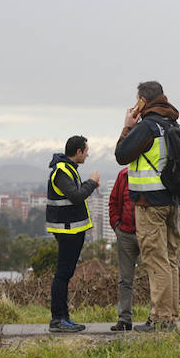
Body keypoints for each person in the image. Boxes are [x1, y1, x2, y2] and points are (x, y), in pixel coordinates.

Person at [114, 81, 180, 332]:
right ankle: (170, 317)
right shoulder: (172, 123)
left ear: (142, 101)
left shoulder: (147, 126)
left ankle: (160, 319)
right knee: (170, 259)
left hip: (149, 203)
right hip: (173, 201)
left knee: (155, 260)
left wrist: (127, 125)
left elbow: (121, 155)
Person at [46, 135, 99, 333]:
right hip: (67, 230)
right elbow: (76, 196)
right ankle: (58, 319)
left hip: (72, 229)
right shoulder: (61, 171)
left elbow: (72, 194)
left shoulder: (68, 169)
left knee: (65, 274)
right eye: (86, 150)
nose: (87, 153)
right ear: (78, 152)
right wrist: (92, 182)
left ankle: (63, 318)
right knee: (62, 275)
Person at [108, 167, 139, 331]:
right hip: (125, 233)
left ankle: (156, 317)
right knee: (125, 279)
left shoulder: (151, 171)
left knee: (156, 275)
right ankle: (125, 319)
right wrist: (117, 225)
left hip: (147, 233)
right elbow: (113, 201)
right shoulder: (123, 175)